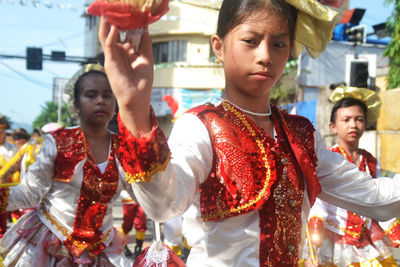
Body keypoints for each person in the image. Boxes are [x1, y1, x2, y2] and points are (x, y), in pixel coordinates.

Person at [98, 0, 400, 266]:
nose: (265, 55)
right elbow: (163, 205)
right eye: (251, 41)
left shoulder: (301, 135)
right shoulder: (202, 125)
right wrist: (135, 113)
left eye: (279, 44)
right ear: (218, 46)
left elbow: (376, 199)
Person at [0, 64, 136, 266]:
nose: (100, 100)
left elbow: (146, 196)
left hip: (102, 248)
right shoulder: (56, 142)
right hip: (51, 244)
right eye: (91, 95)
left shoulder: (125, 148)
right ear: (76, 104)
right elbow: (30, 192)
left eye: (108, 95)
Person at [302, 87, 400, 266]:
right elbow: (319, 202)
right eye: (346, 120)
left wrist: (393, 229)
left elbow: (380, 196)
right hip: (334, 237)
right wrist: (314, 241)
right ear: (333, 126)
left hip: (366, 236)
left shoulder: (370, 160)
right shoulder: (328, 158)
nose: (353, 125)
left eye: (359, 119)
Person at [119, 189, 147, 258]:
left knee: (141, 223)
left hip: (141, 197)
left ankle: (138, 247)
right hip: (127, 197)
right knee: (127, 224)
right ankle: (123, 245)